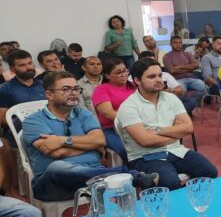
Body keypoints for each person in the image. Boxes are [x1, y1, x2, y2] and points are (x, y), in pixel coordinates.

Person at [23, 71, 158, 201]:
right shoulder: (33, 120)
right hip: (53, 183)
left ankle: (119, 179)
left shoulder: (83, 114)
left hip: (94, 175)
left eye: (76, 89)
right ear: (49, 94)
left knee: (103, 183)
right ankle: (129, 176)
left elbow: (99, 140)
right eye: (66, 89)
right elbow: (53, 152)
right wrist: (89, 146)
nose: (73, 93)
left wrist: (63, 140)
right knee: (57, 166)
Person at [117, 58, 218, 189]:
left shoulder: (171, 98)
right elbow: (145, 141)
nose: (159, 80)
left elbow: (188, 128)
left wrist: (156, 131)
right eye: (152, 77)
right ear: (137, 80)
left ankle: (191, 201)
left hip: (176, 150)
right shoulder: (128, 106)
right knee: (169, 182)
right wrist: (175, 132)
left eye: (160, 75)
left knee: (210, 172)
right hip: (145, 156)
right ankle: (177, 204)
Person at [0, 50, 46, 192]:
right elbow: (3, 119)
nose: (28, 67)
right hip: (19, 133)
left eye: (30, 63)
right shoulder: (5, 89)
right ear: (13, 70)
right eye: (22, 65)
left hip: (48, 129)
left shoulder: (44, 84)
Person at [92, 58, 135, 162]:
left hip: (138, 124)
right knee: (125, 151)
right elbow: (109, 114)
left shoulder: (134, 86)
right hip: (111, 129)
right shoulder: (101, 89)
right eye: (118, 72)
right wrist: (135, 119)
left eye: (125, 70)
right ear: (107, 75)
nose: (123, 74)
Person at [163, 36, 206, 107]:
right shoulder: (167, 56)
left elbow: (196, 65)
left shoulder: (186, 54)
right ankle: (187, 106)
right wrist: (189, 68)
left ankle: (190, 102)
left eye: (180, 43)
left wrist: (180, 67)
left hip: (191, 78)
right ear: (170, 44)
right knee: (181, 92)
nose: (178, 44)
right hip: (178, 80)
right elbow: (172, 70)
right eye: (175, 43)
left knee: (204, 87)